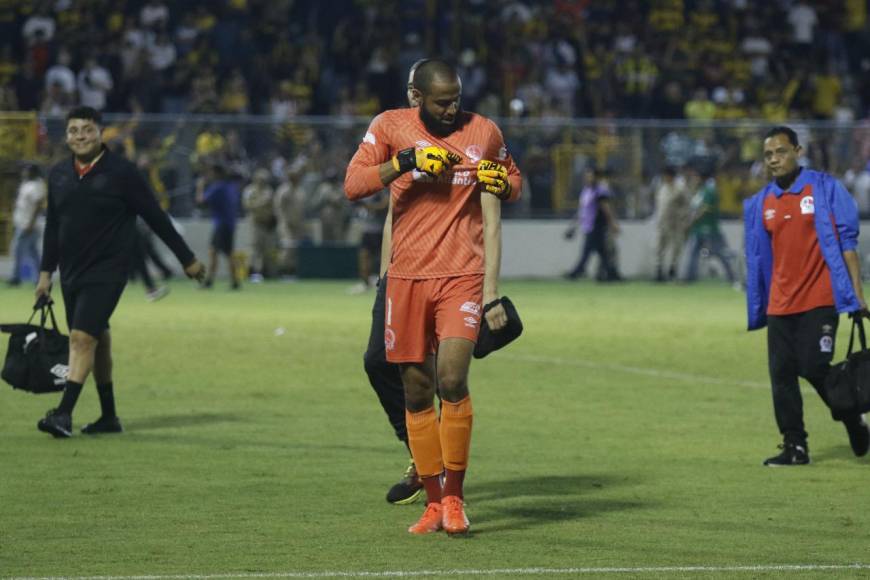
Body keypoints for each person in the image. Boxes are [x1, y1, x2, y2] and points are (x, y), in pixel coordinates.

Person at [345, 59, 521, 535]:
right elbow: (353, 185)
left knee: (451, 378)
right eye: (443, 102)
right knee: (417, 388)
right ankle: (434, 499)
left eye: (457, 100)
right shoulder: (390, 127)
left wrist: (501, 181)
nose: (452, 109)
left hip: (461, 276)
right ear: (416, 98)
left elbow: (513, 181)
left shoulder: (483, 131)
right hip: (406, 279)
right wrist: (404, 162)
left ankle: (457, 500)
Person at [35, 106, 205, 438]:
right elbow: (53, 226)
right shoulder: (58, 174)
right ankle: (109, 417)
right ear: (66, 135)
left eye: (87, 129)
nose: (80, 135)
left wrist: (187, 259)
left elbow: (155, 216)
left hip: (109, 270)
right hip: (71, 272)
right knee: (98, 339)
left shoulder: (123, 173)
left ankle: (63, 414)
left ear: (101, 132)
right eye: (74, 130)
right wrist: (45, 273)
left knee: (82, 338)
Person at [744, 125, 870, 466]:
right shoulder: (761, 203)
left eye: (781, 151)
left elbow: (847, 244)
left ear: (798, 151)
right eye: (768, 154)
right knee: (782, 375)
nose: (774, 159)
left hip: (820, 298)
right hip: (780, 303)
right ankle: (795, 447)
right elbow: (759, 258)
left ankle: (850, 418)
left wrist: (857, 296)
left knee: (814, 366)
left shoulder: (825, 189)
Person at [564, 167, 621, 281]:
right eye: (587, 176)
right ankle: (612, 273)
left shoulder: (600, 191)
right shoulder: (586, 191)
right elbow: (582, 210)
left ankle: (577, 272)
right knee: (602, 252)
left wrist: (612, 223)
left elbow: (606, 208)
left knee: (587, 250)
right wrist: (573, 225)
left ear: (596, 177)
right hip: (587, 225)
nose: (588, 178)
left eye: (590, 176)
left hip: (597, 225)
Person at [684, 165, 737, 284]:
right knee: (693, 254)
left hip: (709, 228)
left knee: (721, 253)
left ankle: (733, 277)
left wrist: (691, 221)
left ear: (701, 177)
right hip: (698, 228)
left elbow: (705, 209)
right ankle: (688, 278)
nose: (694, 179)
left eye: (695, 177)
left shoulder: (709, 190)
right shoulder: (701, 191)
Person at [197, 164, 242, 290]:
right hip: (230, 224)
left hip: (221, 224)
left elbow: (201, 203)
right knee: (229, 254)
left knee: (213, 252)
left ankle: (209, 281)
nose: (209, 176)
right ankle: (235, 281)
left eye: (211, 173)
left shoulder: (217, 188)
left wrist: (200, 186)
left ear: (217, 174)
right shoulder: (230, 186)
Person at [7, 164, 46, 286]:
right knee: (33, 252)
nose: (24, 173)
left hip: (28, 225)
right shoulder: (27, 184)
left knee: (18, 250)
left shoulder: (36, 185)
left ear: (33, 172)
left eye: (27, 171)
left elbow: (38, 205)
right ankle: (40, 279)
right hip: (23, 223)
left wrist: (30, 223)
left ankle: (16, 277)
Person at [653, 166, 690, 282]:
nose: (665, 178)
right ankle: (659, 271)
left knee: (676, 248)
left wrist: (683, 219)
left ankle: (672, 269)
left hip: (675, 224)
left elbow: (687, 205)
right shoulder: (662, 188)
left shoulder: (680, 188)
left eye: (667, 175)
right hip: (662, 223)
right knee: (659, 248)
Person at [242, 167, 277, 281]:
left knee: (267, 249)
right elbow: (247, 206)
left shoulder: (269, 191)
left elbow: (273, 207)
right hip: (255, 223)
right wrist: (262, 203)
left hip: (267, 224)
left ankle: (266, 272)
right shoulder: (250, 191)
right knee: (255, 248)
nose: (262, 181)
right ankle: (253, 272)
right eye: (261, 179)